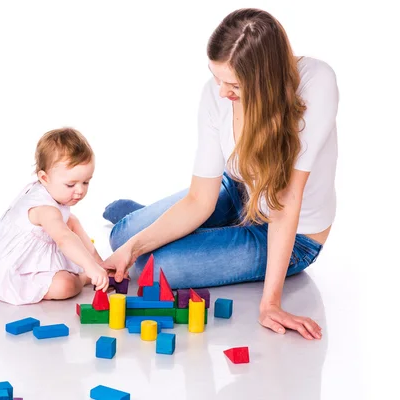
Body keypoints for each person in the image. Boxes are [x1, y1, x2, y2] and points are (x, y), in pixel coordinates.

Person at [102, 8, 338, 340]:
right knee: (123, 242)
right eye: (217, 77)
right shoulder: (216, 93)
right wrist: (133, 246)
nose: (222, 91)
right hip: (238, 191)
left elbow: (286, 200)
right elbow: (201, 198)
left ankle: (160, 224)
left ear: (264, 81)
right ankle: (144, 222)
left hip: (293, 233)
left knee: (151, 270)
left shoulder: (317, 82)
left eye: (234, 85)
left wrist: (270, 303)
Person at [0, 127, 109, 305]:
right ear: (44, 178)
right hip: (17, 270)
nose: (80, 191)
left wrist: (98, 263)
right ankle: (83, 278)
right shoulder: (44, 208)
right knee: (66, 285)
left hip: (36, 255)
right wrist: (89, 269)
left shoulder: (55, 195)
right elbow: (64, 238)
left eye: (86, 182)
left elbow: (70, 226)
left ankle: (93, 266)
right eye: (70, 184)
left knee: (72, 221)